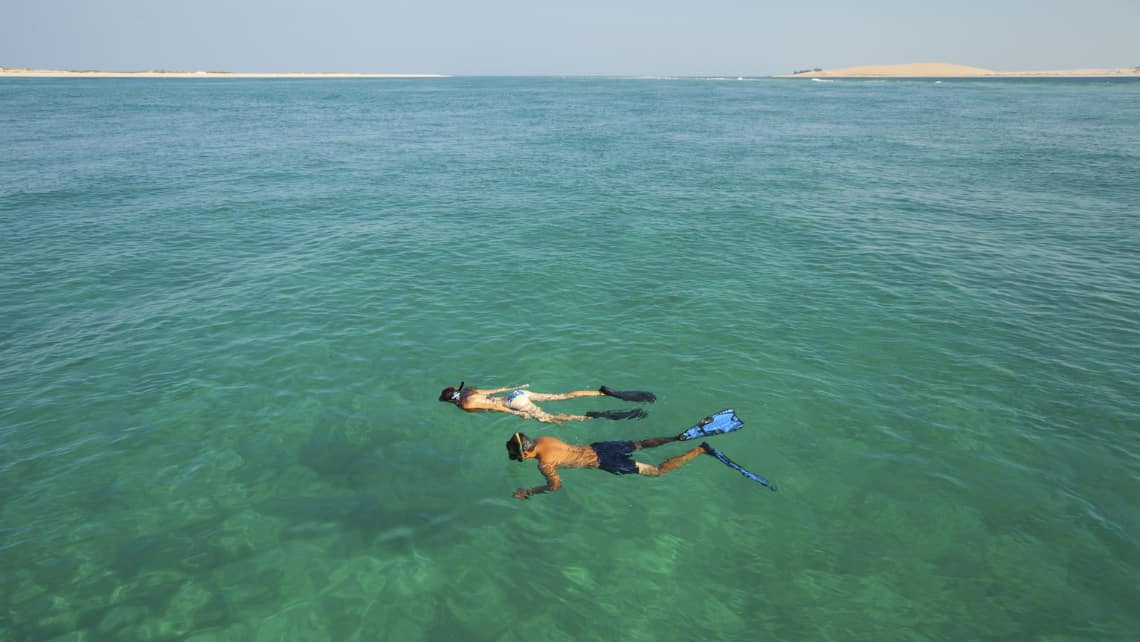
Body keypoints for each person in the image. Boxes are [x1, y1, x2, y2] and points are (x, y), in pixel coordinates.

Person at [505, 431, 714, 499]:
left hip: (604, 461)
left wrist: (529, 491)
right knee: (641, 444)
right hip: (600, 447)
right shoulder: (544, 439)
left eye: (521, 457)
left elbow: (555, 486)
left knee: (656, 472)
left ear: (526, 452)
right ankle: (679, 437)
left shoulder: (545, 464)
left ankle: (700, 450)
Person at [438, 381, 655, 425]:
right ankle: (602, 393)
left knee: (550, 419)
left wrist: (516, 414)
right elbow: (494, 392)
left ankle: (592, 417)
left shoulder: (465, 405)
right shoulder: (469, 390)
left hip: (514, 404)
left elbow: (494, 406)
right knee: (562, 396)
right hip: (517, 393)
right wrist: (515, 386)